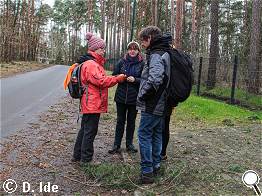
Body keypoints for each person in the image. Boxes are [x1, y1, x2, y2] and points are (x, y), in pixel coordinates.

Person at [72, 32, 126, 164]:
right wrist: (118, 78)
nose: (103, 51)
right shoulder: (91, 64)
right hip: (91, 103)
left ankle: (77, 155)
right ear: (94, 49)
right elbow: (101, 81)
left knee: (85, 129)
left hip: (90, 102)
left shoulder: (92, 63)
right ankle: (86, 159)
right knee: (90, 131)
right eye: (102, 48)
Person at [136, 26, 172, 184]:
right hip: (163, 103)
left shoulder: (156, 54)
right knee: (157, 134)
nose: (142, 44)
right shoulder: (165, 52)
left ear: (150, 37)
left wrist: (144, 95)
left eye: (143, 40)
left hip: (153, 103)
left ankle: (146, 171)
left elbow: (155, 78)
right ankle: (156, 165)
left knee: (144, 134)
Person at [108, 41, 144, 154]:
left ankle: (129, 144)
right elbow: (113, 75)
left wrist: (135, 80)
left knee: (131, 122)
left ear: (138, 51)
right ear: (127, 50)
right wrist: (120, 77)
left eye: (135, 49)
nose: (132, 51)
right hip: (121, 97)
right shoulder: (121, 62)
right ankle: (116, 145)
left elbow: (145, 80)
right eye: (130, 49)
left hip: (134, 98)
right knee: (120, 121)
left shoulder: (142, 63)